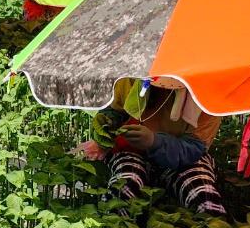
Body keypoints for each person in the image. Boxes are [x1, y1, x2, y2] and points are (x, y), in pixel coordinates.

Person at [88, 78, 227, 217]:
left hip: (185, 160)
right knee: (125, 184)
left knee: (205, 196)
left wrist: (154, 142)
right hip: (131, 152)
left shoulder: (208, 94)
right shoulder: (132, 79)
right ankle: (114, 227)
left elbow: (194, 148)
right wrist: (107, 123)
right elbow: (115, 108)